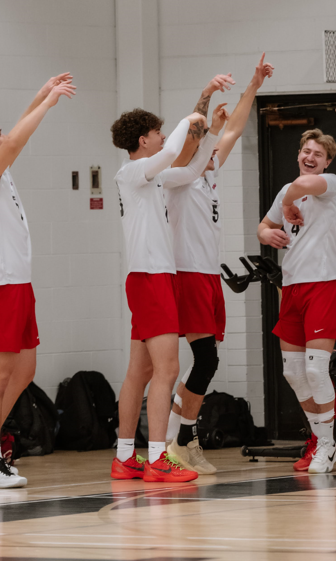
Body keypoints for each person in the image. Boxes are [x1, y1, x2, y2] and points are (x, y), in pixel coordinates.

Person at [0, 73, 76, 488]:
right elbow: (16, 140)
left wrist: (41, 94)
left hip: (18, 285)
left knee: (25, 369)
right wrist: (49, 104)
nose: (6, 135)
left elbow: (14, 139)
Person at [165, 55, 274, 474]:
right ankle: (182, 439)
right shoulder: (181, 173)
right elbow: (198, 132)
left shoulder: (209, 173)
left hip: (208, 275)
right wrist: (207, 95)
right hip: (187, 273)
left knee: (205, 361)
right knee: (205, 360)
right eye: (206, 146)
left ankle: (179, 438)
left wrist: (253, 85)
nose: (215, 149)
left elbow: (236, 127)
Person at [111, 104, 225, 483]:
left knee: (139, 371)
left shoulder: (155, 177)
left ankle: (125, 455)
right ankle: (159, 456)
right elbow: (172, 151)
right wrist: (190, 121)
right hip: (150, 277)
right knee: (168, 369)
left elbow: (192, 168)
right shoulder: (132, 171)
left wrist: (205, 136)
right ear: (144, 140)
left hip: (152, 277)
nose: (163, 137)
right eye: (157, 132)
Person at [257, 129, 336, 474]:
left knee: (315, 369)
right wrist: (269, 232)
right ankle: (320, 438)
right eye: (306, 151)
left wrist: (286, 203)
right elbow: (262, 228)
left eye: (318, 154)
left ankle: (327, 445)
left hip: (324, 285)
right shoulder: (287, 191)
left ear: (327, 162)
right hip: (292, 287)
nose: (310, 157)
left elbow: (301, 187)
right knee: (293, 373)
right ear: (298, 153)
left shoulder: (331, 183)